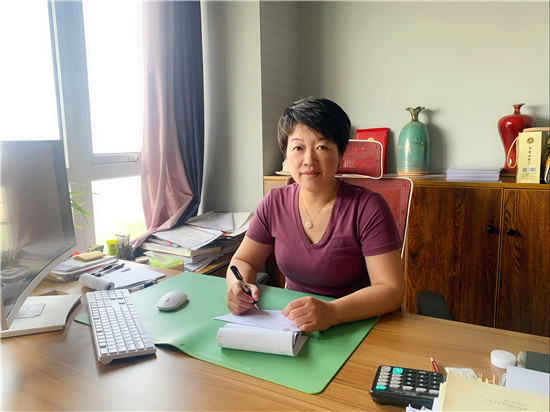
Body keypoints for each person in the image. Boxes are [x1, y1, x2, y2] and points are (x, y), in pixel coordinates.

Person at [226, 97, 404, 332]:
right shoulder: (274, 203)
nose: (309, 160)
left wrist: (333, 312)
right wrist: (237, 286)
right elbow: (243, 261)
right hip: (293, 325)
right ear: (286, 154)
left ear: (341, 153)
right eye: (298, 148)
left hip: (356, 324)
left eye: (322, 147)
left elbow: (391, 290)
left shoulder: (368, 207)